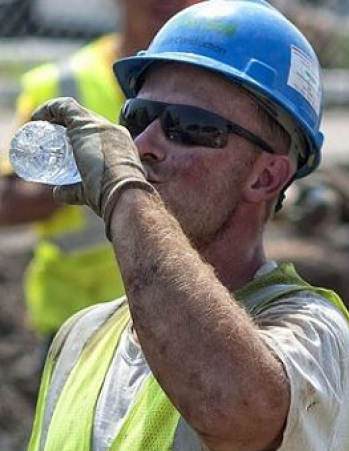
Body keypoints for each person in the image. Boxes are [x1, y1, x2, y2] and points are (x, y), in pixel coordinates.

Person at [0, 0, 349, 451]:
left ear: (266, 177)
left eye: (189, 128)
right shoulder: (80, 340)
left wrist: (126, 190)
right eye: (139, 117)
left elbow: (232, 407)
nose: (146, 143)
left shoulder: (312, 332)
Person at [0, 0, 204, 358]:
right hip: (77, 326)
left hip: (180, 316)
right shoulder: (62, 82)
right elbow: (9, 203)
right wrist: (85, 171)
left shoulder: (216, 92)